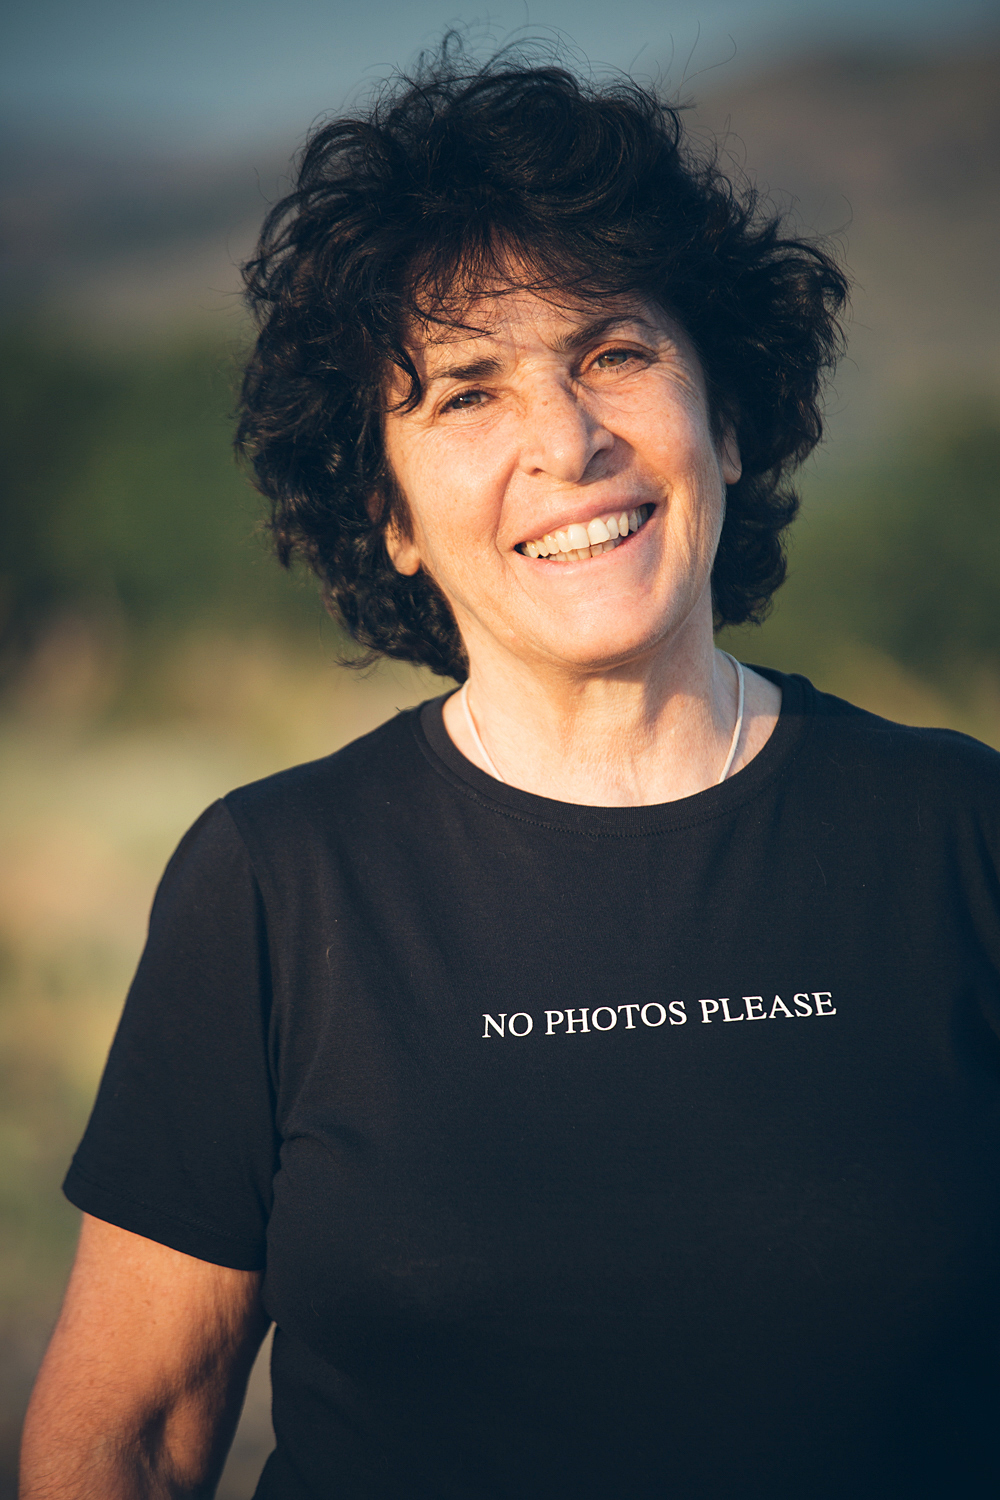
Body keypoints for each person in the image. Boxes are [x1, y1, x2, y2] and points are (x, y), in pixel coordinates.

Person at [20, 46, 1000, 1500]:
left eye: (613, 354)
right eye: (467, 394)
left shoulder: (959, 832)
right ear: (390, 515)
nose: (568, 442)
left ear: (727, 417)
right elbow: (131, 1435)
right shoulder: (276, 882)